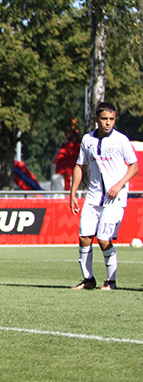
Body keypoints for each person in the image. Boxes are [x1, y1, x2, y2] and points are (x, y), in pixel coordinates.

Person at [69, 102, 138, 290]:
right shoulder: (87, 140)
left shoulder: (121, 140)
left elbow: (134, 166)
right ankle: (88, 279)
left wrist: (119, 184)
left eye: (111, 119)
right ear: (97, 120)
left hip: (115, 198)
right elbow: (79, 165)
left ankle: (111, 282)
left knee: (103, 238)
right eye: (104, 119)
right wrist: (73, 192)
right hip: (93, 196)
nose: (108, 123)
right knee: (84, 237)